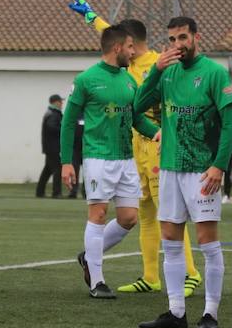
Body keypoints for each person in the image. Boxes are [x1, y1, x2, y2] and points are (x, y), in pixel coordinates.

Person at [68, 0, 202, 296]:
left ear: (131, 44)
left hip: (156, 145)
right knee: (141, 214)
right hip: (130, 146)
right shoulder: (121, 66)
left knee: (169, 212)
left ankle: (190, 273)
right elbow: (109, 32)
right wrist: (89, 14)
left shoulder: (159, 61)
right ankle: (150, 276)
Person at [135, 16, 232, 328]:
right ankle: (176, 312)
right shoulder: (167, 73)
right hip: (169, 170)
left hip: (202, 171)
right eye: (171, 40)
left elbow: (230, 123)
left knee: (207, 243)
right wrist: (156, 71)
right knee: (171, 240)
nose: (177, 45)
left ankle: (210, 313)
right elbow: (136, 108)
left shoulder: (214, 73)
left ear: (196, 37)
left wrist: (219, 165)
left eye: (182, 38)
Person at [60, 25, 158, 299]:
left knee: (129, 218)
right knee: (99, 214)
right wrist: (66, 162)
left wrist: (157, 133)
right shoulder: (86, 79)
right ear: (117, 48)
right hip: (97, 157)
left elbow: (137, 118)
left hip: (126, 158)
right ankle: (97, 281)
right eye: (129, 47)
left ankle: (88, 256)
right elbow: (68, 122)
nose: (132, 51)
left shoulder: (130, 81)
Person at [36, 94, 63, 198]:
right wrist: (63, 130)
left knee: (47, 170)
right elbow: (52, 128)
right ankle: (56, 193)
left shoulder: (52, 113)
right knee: (58, 169)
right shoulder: (53, 114)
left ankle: (40, 192)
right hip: (53, 147)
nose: (62, 104)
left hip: (50, 146)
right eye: (60, 101)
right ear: (55, 102)